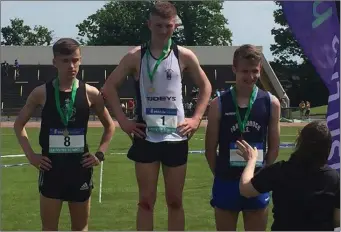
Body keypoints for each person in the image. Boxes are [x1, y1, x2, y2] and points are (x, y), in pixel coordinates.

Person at [102, 2, 212, 230]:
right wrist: (123, 121)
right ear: (149, 25)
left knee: (175, 201)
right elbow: (109, 87)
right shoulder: (135, 56)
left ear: (175, 26)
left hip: (176, 137)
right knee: (145, 202)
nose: (163, 31)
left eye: (168, 26)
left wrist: (196, 118)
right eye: (159, 25)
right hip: (146, 136)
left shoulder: (184, 55)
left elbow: (206, 87)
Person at [13, 38, 115, 231]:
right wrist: (31, 156)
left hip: (80, 169)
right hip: (52, 169)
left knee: (80, 227)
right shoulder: (41, 93)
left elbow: (109, 126)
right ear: (55, 62)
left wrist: (99, 154)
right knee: (49, 228)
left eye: (75, 60)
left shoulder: (90, 93)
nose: (71, 66)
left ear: (80, 60)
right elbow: (18, 125)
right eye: (65, 60)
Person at [205, 44, 281, 231]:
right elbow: (209, 149)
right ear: (234, 69)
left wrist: (263, 175)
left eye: (254, 71)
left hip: (256, 182)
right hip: (226, 181)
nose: (250, 76)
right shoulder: (219, 103)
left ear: (260, 69)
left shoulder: (271, 102)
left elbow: (274, 147)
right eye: (244, 71)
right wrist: (221, 174)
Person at [237, 120, 340, 231]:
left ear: (300, 142)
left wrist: (252, 160)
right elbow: (337, 220)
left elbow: (245, 189)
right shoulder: (333, 178)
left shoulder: (279, 170)